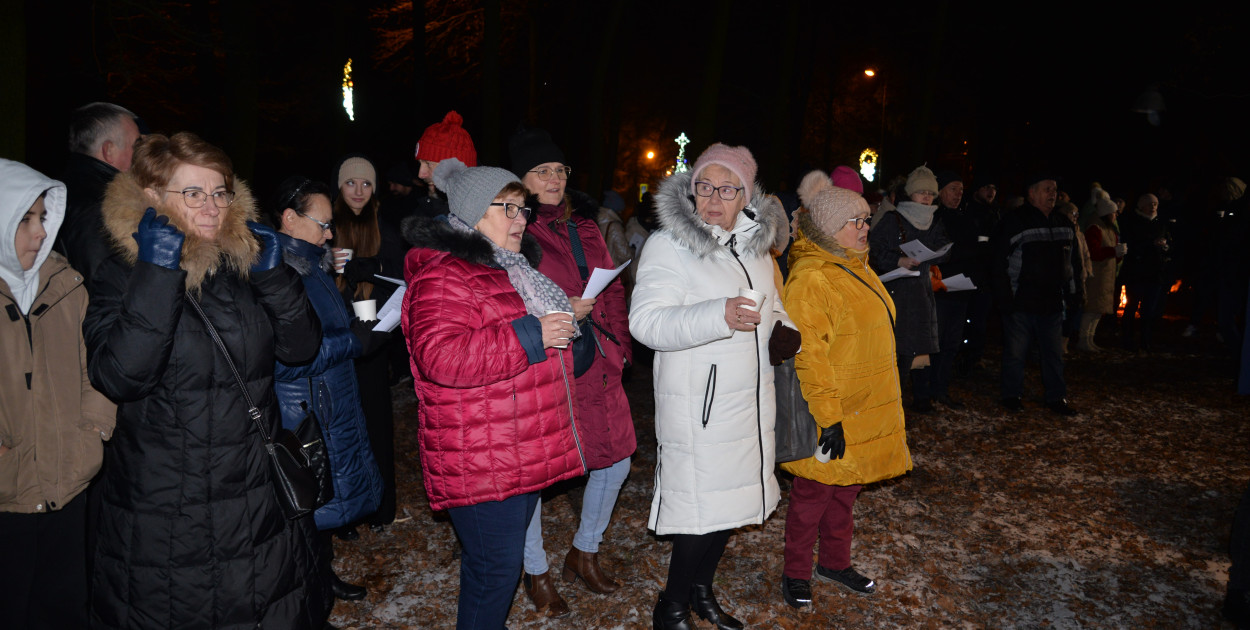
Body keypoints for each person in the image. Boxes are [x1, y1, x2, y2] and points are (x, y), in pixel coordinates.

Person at [83, 132, 327, 628]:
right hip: (170, 509)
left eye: (220, 192)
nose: (212, 206)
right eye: (192, 193)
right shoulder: (120, 271)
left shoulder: (239, 265)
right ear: (152, 197)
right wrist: (157, 272)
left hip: (256, 496)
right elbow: (121, 376)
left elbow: (301, 348)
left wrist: (273, 277)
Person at [400, 158, 586, 630]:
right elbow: (440, 359)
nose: (522, 219)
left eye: (524, 210)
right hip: (478, 454)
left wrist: (565, 343)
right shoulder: (446, 272)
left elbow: (529, 346)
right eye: (509, 208)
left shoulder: (512, 268)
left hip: (513, 446)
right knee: (494, 572)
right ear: (474, 211)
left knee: (497, 571)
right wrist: (531, 335)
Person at [631, 143, 799, 630]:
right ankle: (672, 606)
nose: (713, 198)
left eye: (726, 189)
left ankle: (702, 592)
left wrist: (783, 329)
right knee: (700, 513)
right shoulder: (670, 245)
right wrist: (717, 315)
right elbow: (646, 322)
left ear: (745, 195)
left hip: (748, 399)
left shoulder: (755, 248)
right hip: (699, 405)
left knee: (729, 507)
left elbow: (768, 307)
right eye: (704, 186)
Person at [508, 126, 636, 617]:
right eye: (542, 171)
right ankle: (535, 571)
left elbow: (614, 291)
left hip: (600, 363)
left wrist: (621, 347)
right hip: (551, 366)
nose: (554, 178)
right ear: (522, 180)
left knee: (616, 459)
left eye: (560, 169)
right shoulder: (516, 231)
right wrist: (564, 310)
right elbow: (512, 301)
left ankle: (584, 551)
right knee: (537, 474)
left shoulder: (585, 225)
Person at [779, 172, 911, 610]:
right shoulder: (812, 278)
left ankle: (834, 563)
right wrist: (827, 416)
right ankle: (796, 572)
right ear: (828, 230)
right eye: (854, 222)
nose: (864, 228)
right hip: (833, 409)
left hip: (865, 406)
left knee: (846, 491)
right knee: (812, 496)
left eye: (865, 219)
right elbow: (809, 356)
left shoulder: (858, 267)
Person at [0, 159, 115, 629]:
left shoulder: (67, 285)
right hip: (8, 495)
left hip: (70, 484)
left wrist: (91, 431)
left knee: (64, 608)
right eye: (25, 219)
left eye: (43, 218)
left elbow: (96, 370)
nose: (39, 233)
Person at [268, 176, 386, 605]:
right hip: (305, 407)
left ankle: (321, 573)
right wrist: (355, 341)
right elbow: (287, 357)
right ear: (288, 218)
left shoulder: (309, 264)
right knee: (307, 498)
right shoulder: (275, 272)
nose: (330, 232)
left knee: (322, 498)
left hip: (330, 397)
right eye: (322, 223)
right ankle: (306, 591)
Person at [329, 154, 405, 535]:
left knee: (375, 423)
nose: (358, 191)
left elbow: (401, 273)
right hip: (336, 336)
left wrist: (366, 265)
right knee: (340, 426)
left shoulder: (384, 226)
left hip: (373, 334)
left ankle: (380, 505)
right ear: (339, 187)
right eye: (350, 183)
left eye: (366, 184)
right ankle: (344, 511)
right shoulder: (327, 225)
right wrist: (329, 263)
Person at [991, 174, 1082, 416]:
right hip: (1020, 300)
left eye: (1055, 189)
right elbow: (999, 262)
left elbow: (1073, 262)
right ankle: (1011, 395)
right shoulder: (1014, 222)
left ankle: (1056, 397)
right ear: (1032, 193)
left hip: (1052, 301)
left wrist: (1074, 294)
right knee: (1016, 353)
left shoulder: (1063, 222)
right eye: (1047, 189)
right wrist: (1004, 298)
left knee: (1053, 354)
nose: (1053, 193)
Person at [868, 165, 950, 413]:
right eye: (921, 192)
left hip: (921, 294)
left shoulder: (935, 221)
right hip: (897, 294)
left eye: (930, 193)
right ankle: (889, 406)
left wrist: (937, 254)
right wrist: (897, 260)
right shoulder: (894, 218)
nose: (926, 197)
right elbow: (872, 251)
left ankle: (907, 403)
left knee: (915, 351)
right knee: (897, 353)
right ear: (910, 193)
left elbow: (943, 248)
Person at [55, 102, 143, 284]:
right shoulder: (104, 205)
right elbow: (104, 283)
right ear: (109, 150)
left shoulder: (59, 190)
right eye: (136, 146)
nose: (141, 156)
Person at [930, 169, 972, 406]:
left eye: (961, 190)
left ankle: (941, 388)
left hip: (961, 291)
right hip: (939, 290)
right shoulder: (935, 218)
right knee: (935, 342)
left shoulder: (965, 218)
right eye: (953, 189)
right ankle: (926, 391)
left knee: (951, 343)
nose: (958, 195)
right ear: (941, 191)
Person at [1118, 193, 1172, 353]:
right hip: (1137, 272)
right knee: (1131, 307)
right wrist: (1149, 244)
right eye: (1150, 204)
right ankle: (1127, 339)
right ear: (1141, 206)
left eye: (1155, 204)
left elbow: (1169, 242)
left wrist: (1166, 247)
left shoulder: (1161, 223)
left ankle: (1145, 340)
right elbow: (1130, 244)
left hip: (1156, 273)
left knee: (1150, 310)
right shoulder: (1131, 222)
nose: (1153, 207)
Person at [412, 110, 478, 220]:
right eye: (420, 164)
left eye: (428, 164)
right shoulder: (424, 210)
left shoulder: (479, 219)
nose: (420, 174)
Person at [1079, 195, 1122, 352]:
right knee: (1091, 310)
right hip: (1096, 276)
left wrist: (1119, 253)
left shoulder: (1109, 229)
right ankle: (1084, 340)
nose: (1116, 215)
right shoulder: (1095, 228)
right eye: (1114, 213)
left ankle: (1090, 340)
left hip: (1106, 275)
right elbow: (1093, 252)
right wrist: (1113, 251)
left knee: (1098, 311)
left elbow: (1111, 255)